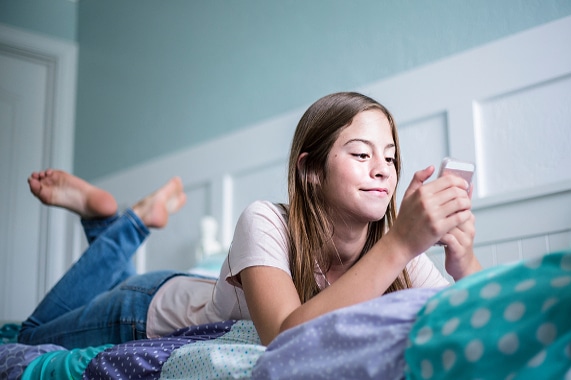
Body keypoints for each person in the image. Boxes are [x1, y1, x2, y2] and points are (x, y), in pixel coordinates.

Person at [18, 91, 481, 350]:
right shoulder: (264, 219)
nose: (383, 169)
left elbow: (479, 317)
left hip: (195, 292)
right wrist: (401, 243)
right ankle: (128, 224)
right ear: (310, 170)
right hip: (144, 312)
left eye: (391, 157)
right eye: (361, 154)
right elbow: (284, 334)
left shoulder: (398, 257)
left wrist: (464, 261)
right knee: (30, 336)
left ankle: (103, 224)